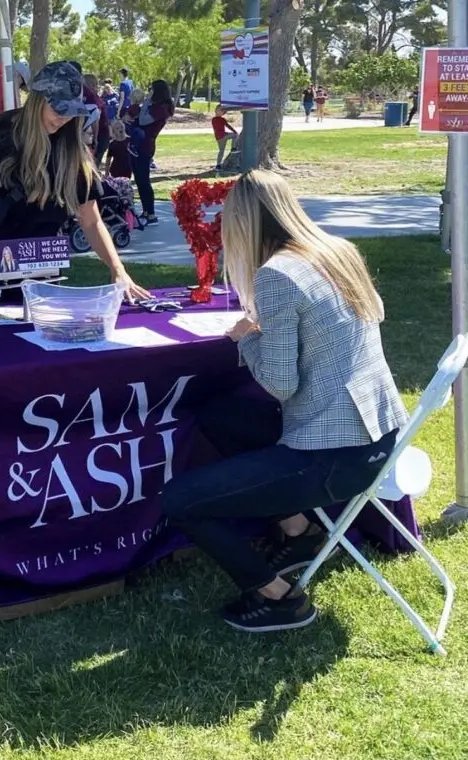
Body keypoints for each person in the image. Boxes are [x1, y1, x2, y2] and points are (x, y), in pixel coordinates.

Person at [162, 169, 408, 633]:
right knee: (220, 417)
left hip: (333, 456)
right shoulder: (338, 252)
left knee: (180, 500)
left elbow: (280, 385)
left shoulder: (276, 275)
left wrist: (245, 337)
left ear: (243, 223)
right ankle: (299, 531)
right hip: (377, 437)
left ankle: (278, 598)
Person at [0, 61, 150, 301]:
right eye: (58, 109)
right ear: (37, 100)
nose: (64, 118)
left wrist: (118, 271)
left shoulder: (72, 150)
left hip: (41, 273)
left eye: (71, 111)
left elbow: (91, 220)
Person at [130, 80, 174, 226]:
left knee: (144, 179)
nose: (149, 91)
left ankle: (151, 213)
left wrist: (147, 101)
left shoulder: (162, 108)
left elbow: (143, 121)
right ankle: (146, 211)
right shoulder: (156, 106)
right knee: (139, 179)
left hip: (146, 144)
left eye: (151, 89)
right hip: (139, 143)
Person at [211, 105, 238, 171]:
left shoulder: (222, 119)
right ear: (216, 110)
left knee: (235, 135)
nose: (221, 112)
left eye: (222, 111)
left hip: (223, 136)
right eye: (219, 110)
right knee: (221, 151)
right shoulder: (214, 119)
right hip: (220, 137)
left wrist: (234, 131)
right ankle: (233, 148)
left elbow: (228, 126)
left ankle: (218, 165)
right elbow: (217, 128)